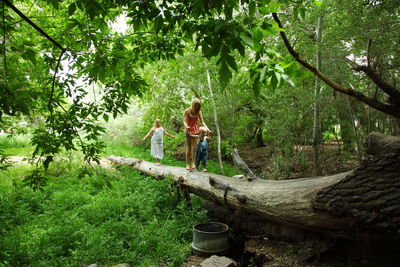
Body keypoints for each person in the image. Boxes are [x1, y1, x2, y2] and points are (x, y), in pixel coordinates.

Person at [183, 98, 211, 171]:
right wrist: (187, 126)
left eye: (198, 106)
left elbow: (202, 122)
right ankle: (187, 164)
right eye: (195, 105)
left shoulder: (199, 112)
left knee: (194, 148)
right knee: (188, 148)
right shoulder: (187, 111)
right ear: (193, 104)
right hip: (188, 131)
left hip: (195, 130)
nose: (197, 107)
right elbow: (184, 121)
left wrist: (207, 129)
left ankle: (193, 163)